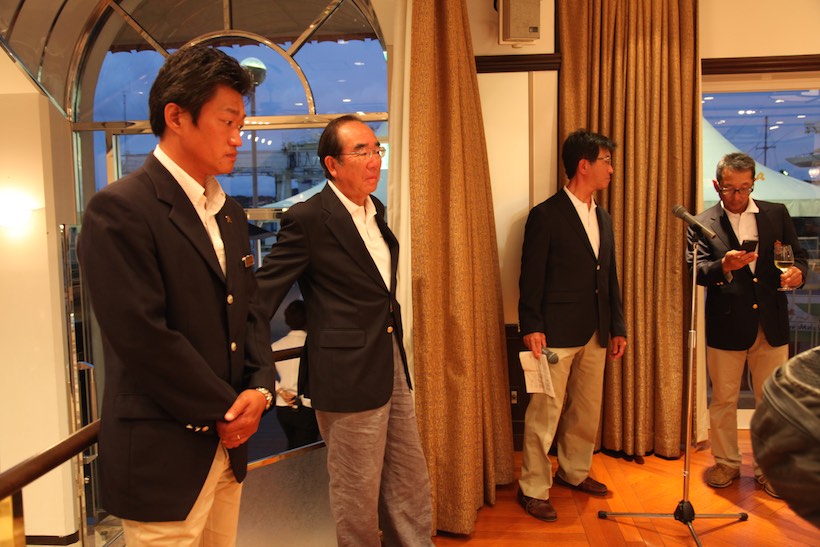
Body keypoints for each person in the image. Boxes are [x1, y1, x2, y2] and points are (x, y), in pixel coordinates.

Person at [77, 45, 276, 546]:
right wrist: (230, 410)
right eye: (227, 122)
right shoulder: (120, 209)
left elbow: (250, 311)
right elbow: (144, 338)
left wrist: (260, 390)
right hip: (163, 455)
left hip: (228, 449)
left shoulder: (228, 212)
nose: (238, 137)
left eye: (240, 124)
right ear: (177, 117)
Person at [255, 115, 433, 546]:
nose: (374, 160)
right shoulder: (309, 218)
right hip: (346, 373)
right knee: (357, 491)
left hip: (390, 361)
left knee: (408, 476)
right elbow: (261, 296)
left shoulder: (376, 210)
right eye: (361, 151)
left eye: (376, 149)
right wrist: (254, 372)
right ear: (332, 165)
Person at [517, 129, 627, 522]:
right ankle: (532, 488)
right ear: (584, 165)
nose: (611, 169)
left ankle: (574, 472)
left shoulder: (603, 217)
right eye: (606, 161)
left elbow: (609, 276)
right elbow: (531, 276)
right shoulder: (545, 215)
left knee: (586, 410)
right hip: (554, 332)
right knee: (544, 413)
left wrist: (618, 326)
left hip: (596, 330)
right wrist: (531, 324)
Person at [686, 151, 808, 498]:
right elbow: (695, 270)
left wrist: (798, 274)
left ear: (753, 183)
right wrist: (723, 266)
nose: (738, 196)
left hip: (771, 322)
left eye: (744, 188)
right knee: (723, 399)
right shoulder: (703, 222)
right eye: (730, 189)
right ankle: (726, 462)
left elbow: (799, 258)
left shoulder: (776, 213)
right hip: (726, 324)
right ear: (717, 185)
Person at [750, 346, 820, 527]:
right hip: (726, 334)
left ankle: (769, 470)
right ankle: (726, 463)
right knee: (724, 399)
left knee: (771, 398)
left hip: (774, 334)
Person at [270, 299, 320, 450]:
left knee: (291, 446)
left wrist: (280, 391)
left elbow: (265, 372)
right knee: (306, 451)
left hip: (283, 405)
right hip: (307, 405)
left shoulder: (276, 346)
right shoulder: (314, 345)